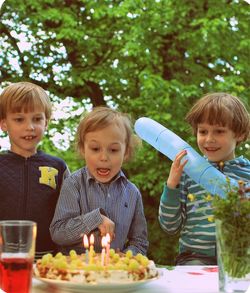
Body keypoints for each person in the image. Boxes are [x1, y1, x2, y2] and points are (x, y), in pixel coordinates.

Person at [158, 92, 250, 265]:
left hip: (239, 258)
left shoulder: (247, 174)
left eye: (219, 131)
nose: (209, 139)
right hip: (195, 257)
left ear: (239, 134)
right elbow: (169, 226)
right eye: (203, 131)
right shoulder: (187, 173)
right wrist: (171, 186)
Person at [50, 106, 148, 255]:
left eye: (113, 150)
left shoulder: (132, 193)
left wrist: (128, 255)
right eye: (95, 149)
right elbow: (58, 233)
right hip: (75, 272)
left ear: (126, 152)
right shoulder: (73, 184)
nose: (104, 157)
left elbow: (140, 242)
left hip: (115, 274)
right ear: (83, 149)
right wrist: (95, 219)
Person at [0, 81, 69, 259]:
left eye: (37, 119)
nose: (29, 126)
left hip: (48, 259)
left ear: (46, 123)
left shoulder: (58, 167)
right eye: (19, 119)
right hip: (3, 259)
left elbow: (70, 213)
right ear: (4, 124)